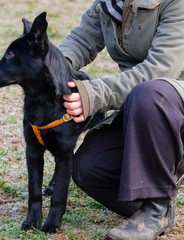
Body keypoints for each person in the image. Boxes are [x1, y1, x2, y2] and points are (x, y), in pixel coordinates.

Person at [58, 0, 184, 239]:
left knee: (149, 92)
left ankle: (157, 210)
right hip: (144, 106)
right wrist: (51, 69)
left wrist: (92, 94)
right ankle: (155, 206)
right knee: (90, 168)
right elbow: (81, 41)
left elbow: (159, 71)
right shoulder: (110, 3)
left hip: (169, 101)